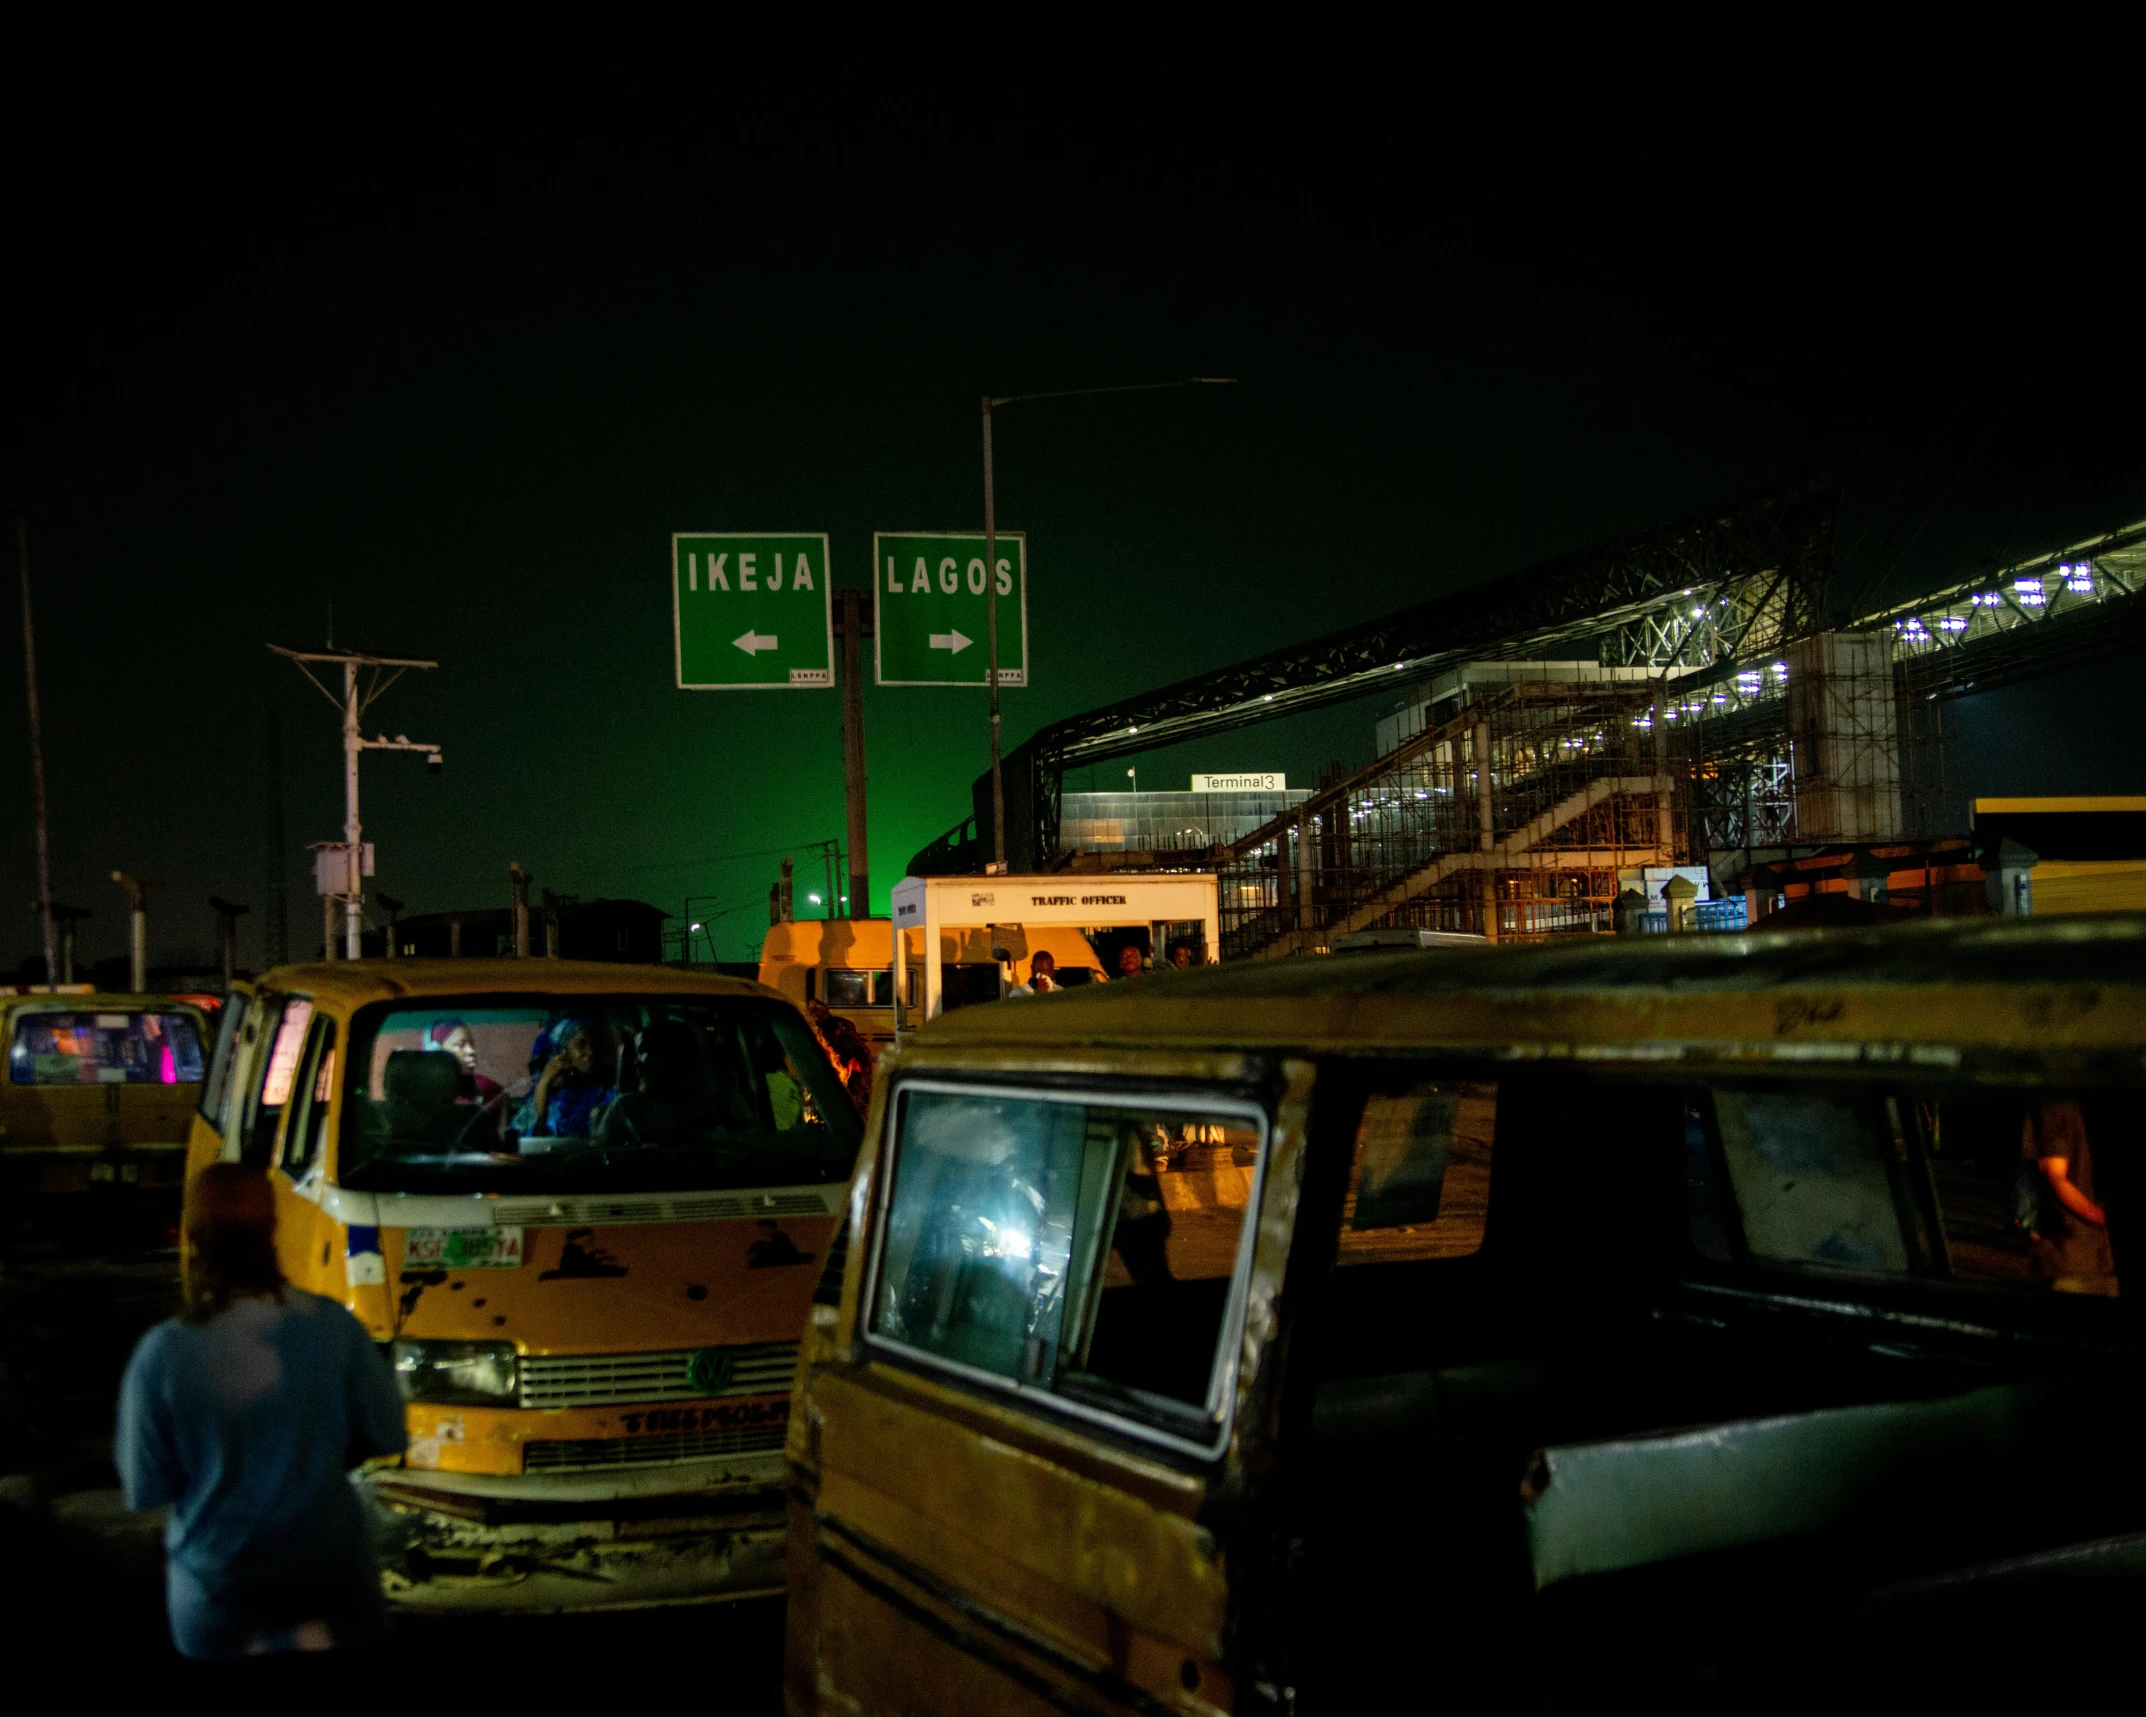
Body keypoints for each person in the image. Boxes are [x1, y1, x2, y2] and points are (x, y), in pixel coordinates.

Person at [115, 1164, 405, 1660]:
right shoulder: (333, 1328)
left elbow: (147, 1487)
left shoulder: (162, 1353)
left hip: (217, 1607)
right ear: (273, 1227)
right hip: (334, 1595)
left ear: (193, 1237)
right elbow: (386, 1436)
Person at [2021, 1099, 2117, 1295]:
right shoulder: (2056, 1103)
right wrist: (2102, 1218)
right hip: (2072, 1255)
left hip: (2096, 1256)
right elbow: (2056, 1177)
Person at [520, 1018, 615, 1137]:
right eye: (580, 1045)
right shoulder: (540, 1096)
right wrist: (543, 1086)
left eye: (593, 1044)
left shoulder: (602, 1093)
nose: (590, 1052)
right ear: (561, 1051)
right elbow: (528, 1146)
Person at [426, 1017, 502, 1104]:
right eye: (461, 1045)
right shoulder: (423, 1095)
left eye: (472, 1044)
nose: (471, 1051)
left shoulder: (488, 1089)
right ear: (436, 1052)